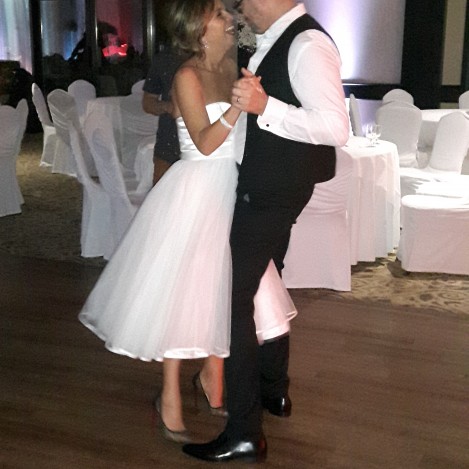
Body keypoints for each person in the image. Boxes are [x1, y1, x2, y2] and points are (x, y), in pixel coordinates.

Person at [78, 0, 296, 446]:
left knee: (223, 287)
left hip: (232, 190)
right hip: (195, 190)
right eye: (219, 14)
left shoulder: (235, 68)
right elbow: (205, 142)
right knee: (180, 293)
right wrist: (237, 108)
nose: (230, 18)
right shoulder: (186, 75)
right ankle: (170, 393)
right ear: (198, 27)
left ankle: (212, 374)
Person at [182, 0, 350, 463]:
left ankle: (243, 431)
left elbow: (336, 128)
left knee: (233, 299)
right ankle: (274, 391)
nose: (239, 12)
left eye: (241, 4)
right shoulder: (268, 37)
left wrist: (265, 106)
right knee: (265, 283)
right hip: (270, 181)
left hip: (273, 188)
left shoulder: (307, 43)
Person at [142, 45, 185, 185]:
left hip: (203, 147)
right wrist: (168, 107)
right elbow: (148, 102)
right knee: (162, 194)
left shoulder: (212, 58)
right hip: (169, 145)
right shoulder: (165, 59)